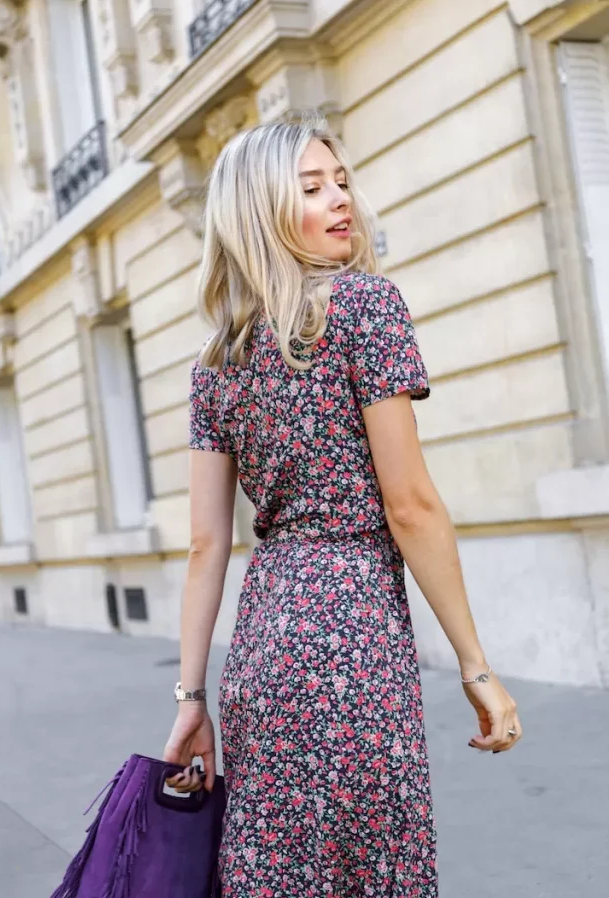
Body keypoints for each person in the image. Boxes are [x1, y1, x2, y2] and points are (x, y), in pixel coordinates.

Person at [162, 114, 522, 897]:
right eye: (311, 187)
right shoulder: (364, 307)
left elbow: (204, 546)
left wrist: (190, 699)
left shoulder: (213, 363)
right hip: (353, 632)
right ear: (260, 209)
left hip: (261, 645)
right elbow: (412, 508)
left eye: (343, 182)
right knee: (374, 870)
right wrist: (475, 666)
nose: (340, 200)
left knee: (279, 874)